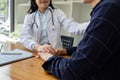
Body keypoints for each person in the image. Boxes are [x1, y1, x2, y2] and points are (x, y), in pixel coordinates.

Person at [39, 0, 120, 80]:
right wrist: (64, 51)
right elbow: (94, 47)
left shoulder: (109, 9)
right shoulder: (109, 6)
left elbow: (72, 72)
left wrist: (49, 58)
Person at [20, 0, 89, 53]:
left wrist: (94, 22)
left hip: (56, 53)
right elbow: (24, 37)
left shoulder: (58, 13)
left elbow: (73, 27)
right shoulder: (30, 17)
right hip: (38, 53)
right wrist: (38, 47)